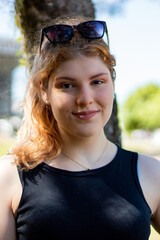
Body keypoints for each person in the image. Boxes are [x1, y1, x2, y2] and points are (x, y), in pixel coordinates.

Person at [0, 16, 160, 240]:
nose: (85, 99)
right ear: (44, 91)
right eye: (67, 85)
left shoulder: (151, 173)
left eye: (97, 82)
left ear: (113, 82)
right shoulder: (10, 176)